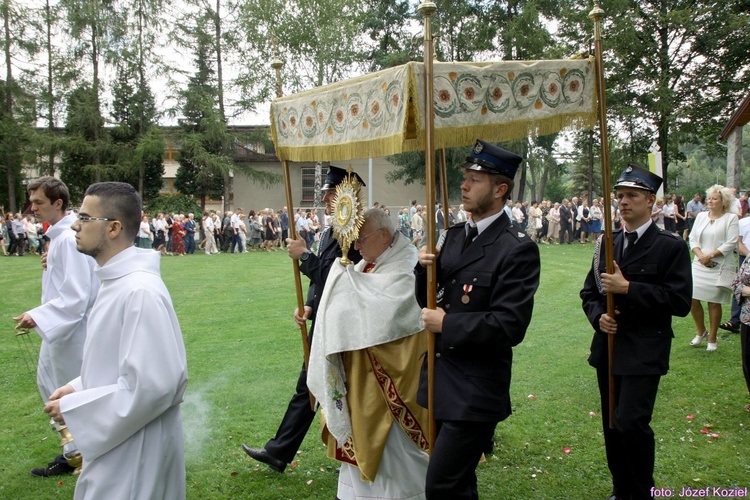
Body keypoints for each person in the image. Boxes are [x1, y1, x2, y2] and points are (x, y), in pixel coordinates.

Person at [43, 181, 188, 500]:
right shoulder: (117, 284)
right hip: (121, 441)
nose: (75, 226)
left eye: (84, 217)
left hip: (137, 450)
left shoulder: (139, 292)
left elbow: (154, 386)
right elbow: (121, 361)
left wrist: (75, 407)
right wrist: (78, 387)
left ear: (113, 228)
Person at [416, 140, 540, 499]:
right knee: (460, 483)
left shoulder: (516, 248)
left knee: (442, 484)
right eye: (465, 178)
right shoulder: (454, 236)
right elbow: (428, 302)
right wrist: (422, 271)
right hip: (442, 379)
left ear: (500, 189)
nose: (465, 186)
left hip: (476, 388)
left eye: (476, 180)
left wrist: (447, 325)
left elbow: (510, 324)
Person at [242, 166, 364, 473]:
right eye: (324, 194)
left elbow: (340, 277)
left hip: (345, 324)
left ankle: (351, 450)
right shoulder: (329, 231)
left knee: (340, 388)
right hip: (322, 319)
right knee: (310, 385)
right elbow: (320, 282)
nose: (324, 200)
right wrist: (308, 306)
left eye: (329, 194)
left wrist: (304, 256)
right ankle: (280, 451)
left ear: (345, 194)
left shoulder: (353, 231)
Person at [581, 165, 692, 500]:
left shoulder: (669, 246)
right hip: (609, 348)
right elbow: (590, 293)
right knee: (612, 426)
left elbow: (680, 301)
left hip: (644, 350)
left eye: (632, 195)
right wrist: (599, 316)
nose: (624, 202)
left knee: (631, 422)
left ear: (651, 202)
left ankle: (642, 491)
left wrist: (630, 288)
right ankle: (621, 488)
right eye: (620, 196)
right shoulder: (607, 244)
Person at [308, 208, 429, 499]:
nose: (357, 247)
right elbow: (351, 304)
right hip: (361, 380)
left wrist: (342, 289)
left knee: (395, 452)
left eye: (361, 239)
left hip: (395, 384)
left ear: (384, 235)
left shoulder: (406, 264)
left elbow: (389, 313)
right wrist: (317, 310)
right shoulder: (367, 265)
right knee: (359, 438)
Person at [12, 177, 99, 477]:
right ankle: (74, 450)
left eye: (38, 202)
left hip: (71, 331)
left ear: (58, 203)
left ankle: (83, 453)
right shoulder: (61, 238)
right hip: (63, 330)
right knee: (51, 387)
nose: (32, 208)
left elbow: (76, 296)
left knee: (68, 392)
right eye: (31, 201)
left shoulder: (66, 239)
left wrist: (38, 315)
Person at [689, 185, 739, 351]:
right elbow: (693, 238)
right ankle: (701, 331)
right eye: (709, 198)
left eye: (714, 198)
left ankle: (712, 338)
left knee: (713, 302)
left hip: (719, 265)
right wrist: (701, 255)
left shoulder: (731, 218)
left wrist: (709, 256)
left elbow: (731, 243)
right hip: (699, 263)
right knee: (691, 298)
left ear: (723, 202)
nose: (710, 201)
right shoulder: (701, 216)